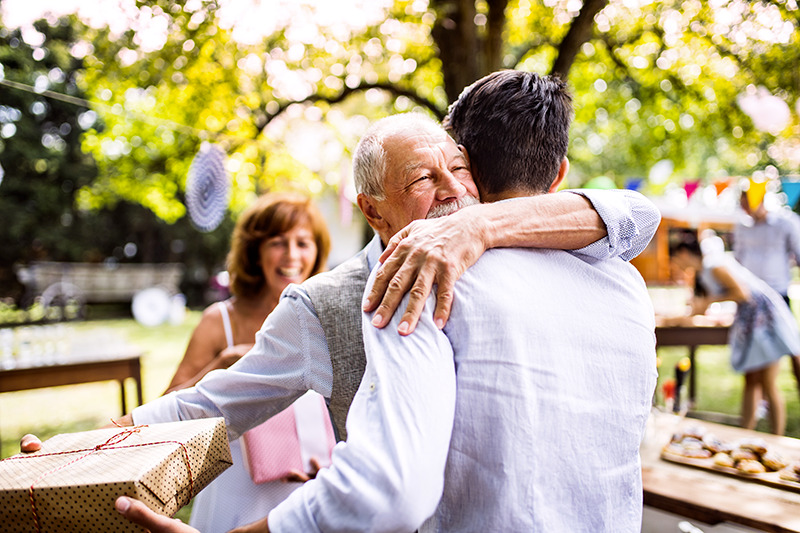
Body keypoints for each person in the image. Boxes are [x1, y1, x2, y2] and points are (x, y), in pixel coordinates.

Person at [25, 113, 660, 527]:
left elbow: (636, 215)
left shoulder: (521, 257)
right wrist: (87, 447)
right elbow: (213, 406)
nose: (453, 189)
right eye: (421, 177)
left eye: (458, 168)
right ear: (373, 210)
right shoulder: (331, 303)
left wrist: (481, 224)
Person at [260, 71, 658, 532]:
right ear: (562, 172)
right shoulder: (626, 284)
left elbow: (393, 492)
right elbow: (637, 214)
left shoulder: (427, 276)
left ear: (467, 167)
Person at [171, 192, 335, 532]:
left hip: (308, 496)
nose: (291, 255)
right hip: (234, 494)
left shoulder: (326, 318)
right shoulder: (220, 322)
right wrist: (220, 365)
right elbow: (168, 410)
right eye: (277, 242)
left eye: (303, 243)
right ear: (255, 251)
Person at [672, 230, 800, 435]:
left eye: (676, 257)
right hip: (752, 322)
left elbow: (743, 293)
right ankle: (745, 434)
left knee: (768, 382)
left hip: (764, 319)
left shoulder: (714, 265)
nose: (676, 263)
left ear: (685, 253)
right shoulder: (704, 272)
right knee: (750, 380)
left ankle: (778, 438)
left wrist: (710, 301)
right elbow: (702, 306)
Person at [733, 192, 800, 390]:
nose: (745, 208)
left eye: (747, 202)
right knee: (753, 355)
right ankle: (760, 403)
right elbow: (738, 260)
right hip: (750, 298)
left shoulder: (785, 222)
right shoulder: (742, 227)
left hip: (777, 295)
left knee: (792, 348)